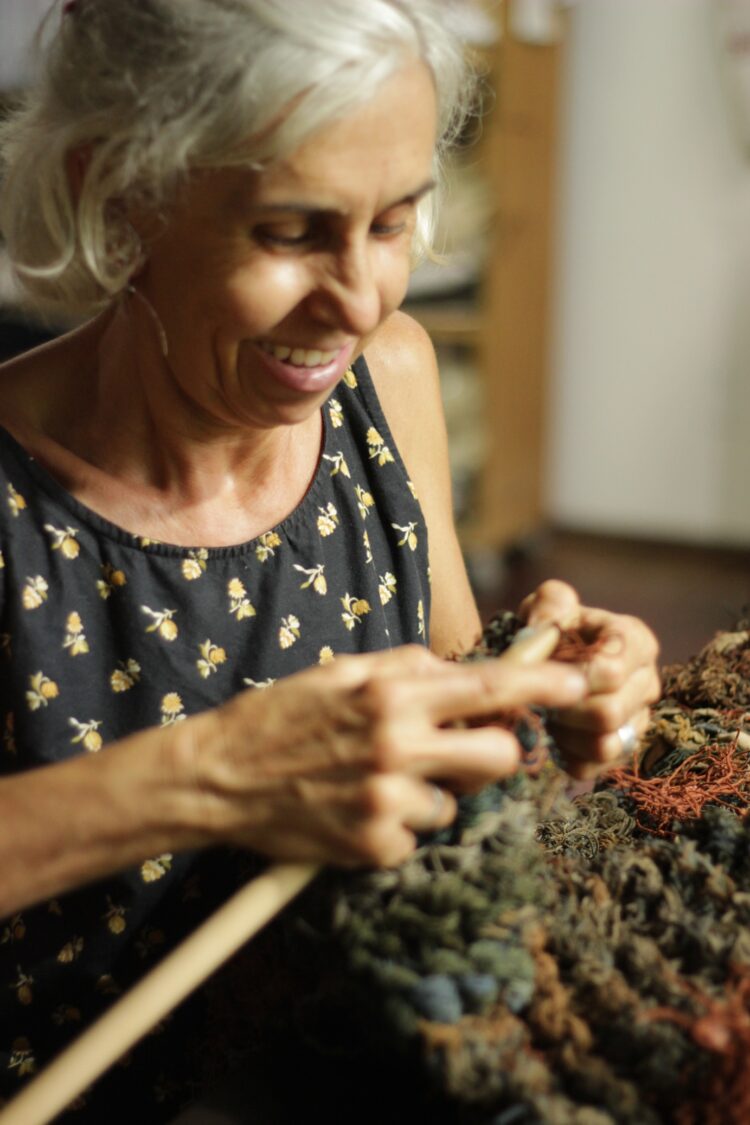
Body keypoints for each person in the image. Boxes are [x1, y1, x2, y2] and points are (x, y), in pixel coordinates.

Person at [0, 0, 660, 1119]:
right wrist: (215, 777)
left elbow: (463, 747)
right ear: (114, 190)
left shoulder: (389, 386)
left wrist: (557, 697)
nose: (359, 301)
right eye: (291, 232)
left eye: (394, 223)